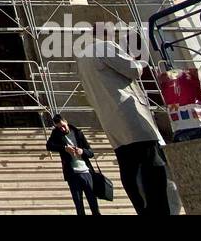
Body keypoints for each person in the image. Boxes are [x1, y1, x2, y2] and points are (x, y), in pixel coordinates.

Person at [75, 33, 174, 216]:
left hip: (109, 118)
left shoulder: (82, 59)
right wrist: (135, 61)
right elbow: (133, 70)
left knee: (129, 166)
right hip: (129, 113)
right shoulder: (105, 46)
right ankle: (158, 210)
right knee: (152, 165)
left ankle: (143, 209)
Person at [46, 113, 100, 216]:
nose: (62, 129)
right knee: (79, 205)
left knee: (93, 203)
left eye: (63, 126)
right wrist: (64, 148)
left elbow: (91, 153)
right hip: (72, 174)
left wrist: (82, 151)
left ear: (66, 122)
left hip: (86, 172)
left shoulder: (78, 133)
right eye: (59, 127)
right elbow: (49, 146)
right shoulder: (56, 134)